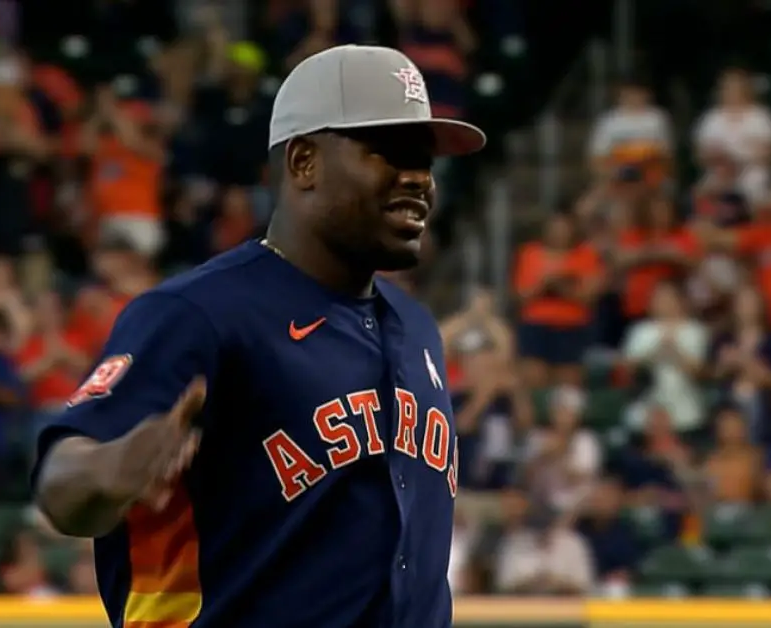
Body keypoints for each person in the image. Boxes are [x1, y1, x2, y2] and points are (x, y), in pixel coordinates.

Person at [31, 44, 486, 628]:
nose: (418, 179)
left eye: (425, 160)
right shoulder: (199, 313)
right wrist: (110, 468)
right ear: (303, 162)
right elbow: (61, 485)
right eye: (390, 152)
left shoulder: (417, 327)